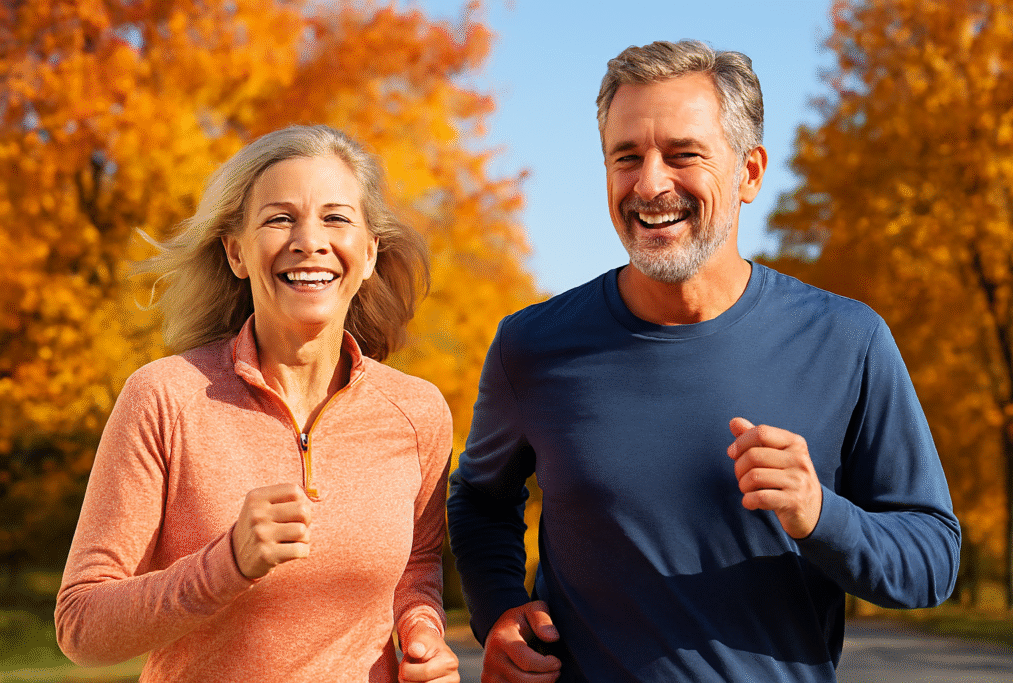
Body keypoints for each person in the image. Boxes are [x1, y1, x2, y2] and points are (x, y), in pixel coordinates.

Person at [447, 40, 961, 683]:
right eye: (626, 157)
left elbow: (933, 562)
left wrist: (820, 514)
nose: (651, 183)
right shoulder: (533, 345)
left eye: (684, 155)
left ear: (749, 172)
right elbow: (480, 499)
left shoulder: (847, 341)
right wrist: (501, 609)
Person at [56, 125, 460, 683]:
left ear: (369, 254)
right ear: (237, 251)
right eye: (279, 218)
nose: (309, 240)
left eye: (336, 218)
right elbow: (80, 627)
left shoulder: (418, 413)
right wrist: (228, 563)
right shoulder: (164, 398)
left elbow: (416, 568)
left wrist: (422, 632)